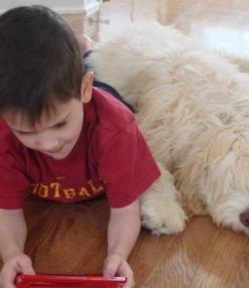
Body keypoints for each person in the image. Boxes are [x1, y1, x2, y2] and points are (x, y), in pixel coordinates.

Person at [0, 5, 160, 288]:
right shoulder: (4, 135)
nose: (48, 144)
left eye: (60, 124)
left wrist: (118, 255)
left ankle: (87, 50)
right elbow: (6, 211)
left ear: (84, 90)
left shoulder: (116, 129)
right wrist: (12, 254)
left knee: (110, 84)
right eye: (26, 132)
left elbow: (125, 210)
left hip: (105, 101)